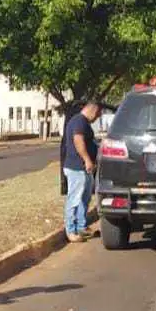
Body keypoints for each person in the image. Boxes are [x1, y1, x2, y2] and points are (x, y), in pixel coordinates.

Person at [62, 101, 101, 242]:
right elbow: (78, 140)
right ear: (92, 111)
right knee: (74, 198)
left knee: (85, 198)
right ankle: (71, 230)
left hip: (83, 168)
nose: (96, 118)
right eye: (97, 115)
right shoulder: (79, 121)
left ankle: (81, 226)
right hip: (76, 167)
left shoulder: (83, 122)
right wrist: (87, 160)